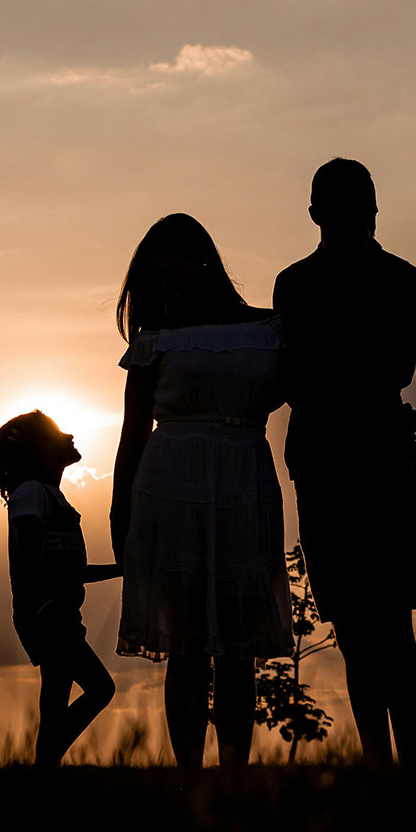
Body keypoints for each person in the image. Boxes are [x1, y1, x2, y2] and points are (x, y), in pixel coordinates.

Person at [273, 158, 416, 766]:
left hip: (379, 462)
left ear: (373, 209)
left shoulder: (407, 281)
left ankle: (404, 765)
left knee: (388, 623)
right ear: (316, 214)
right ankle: (387, 766)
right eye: (340, 204)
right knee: (356, 627)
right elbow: (284, 368)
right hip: (329, 463)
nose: (351, 215)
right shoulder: (295, 284)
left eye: (356, 203)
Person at [110, 213, 293, 773]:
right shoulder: (155, 342)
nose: (168, 288)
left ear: (204, 262)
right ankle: (189, 777)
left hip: (243, 483)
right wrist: (121, 518)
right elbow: (131, 435)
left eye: (175, 271)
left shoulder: (268, 330)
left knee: (237, 648)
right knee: (187, 647)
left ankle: (234, 774)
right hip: (170, 491)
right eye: (156, 280)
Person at [0, 410, 118, 767]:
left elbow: (69, 571)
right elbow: (28, 560)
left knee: (54, 704)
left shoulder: (48, 496)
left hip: (57, 615)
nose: (70, 436)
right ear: (40, 448)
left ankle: (43, 779)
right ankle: (43, 764)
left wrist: (123, 570)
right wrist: (39, 609)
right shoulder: (32, 494)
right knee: (101, 689)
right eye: (58, 433)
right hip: (49, 617)